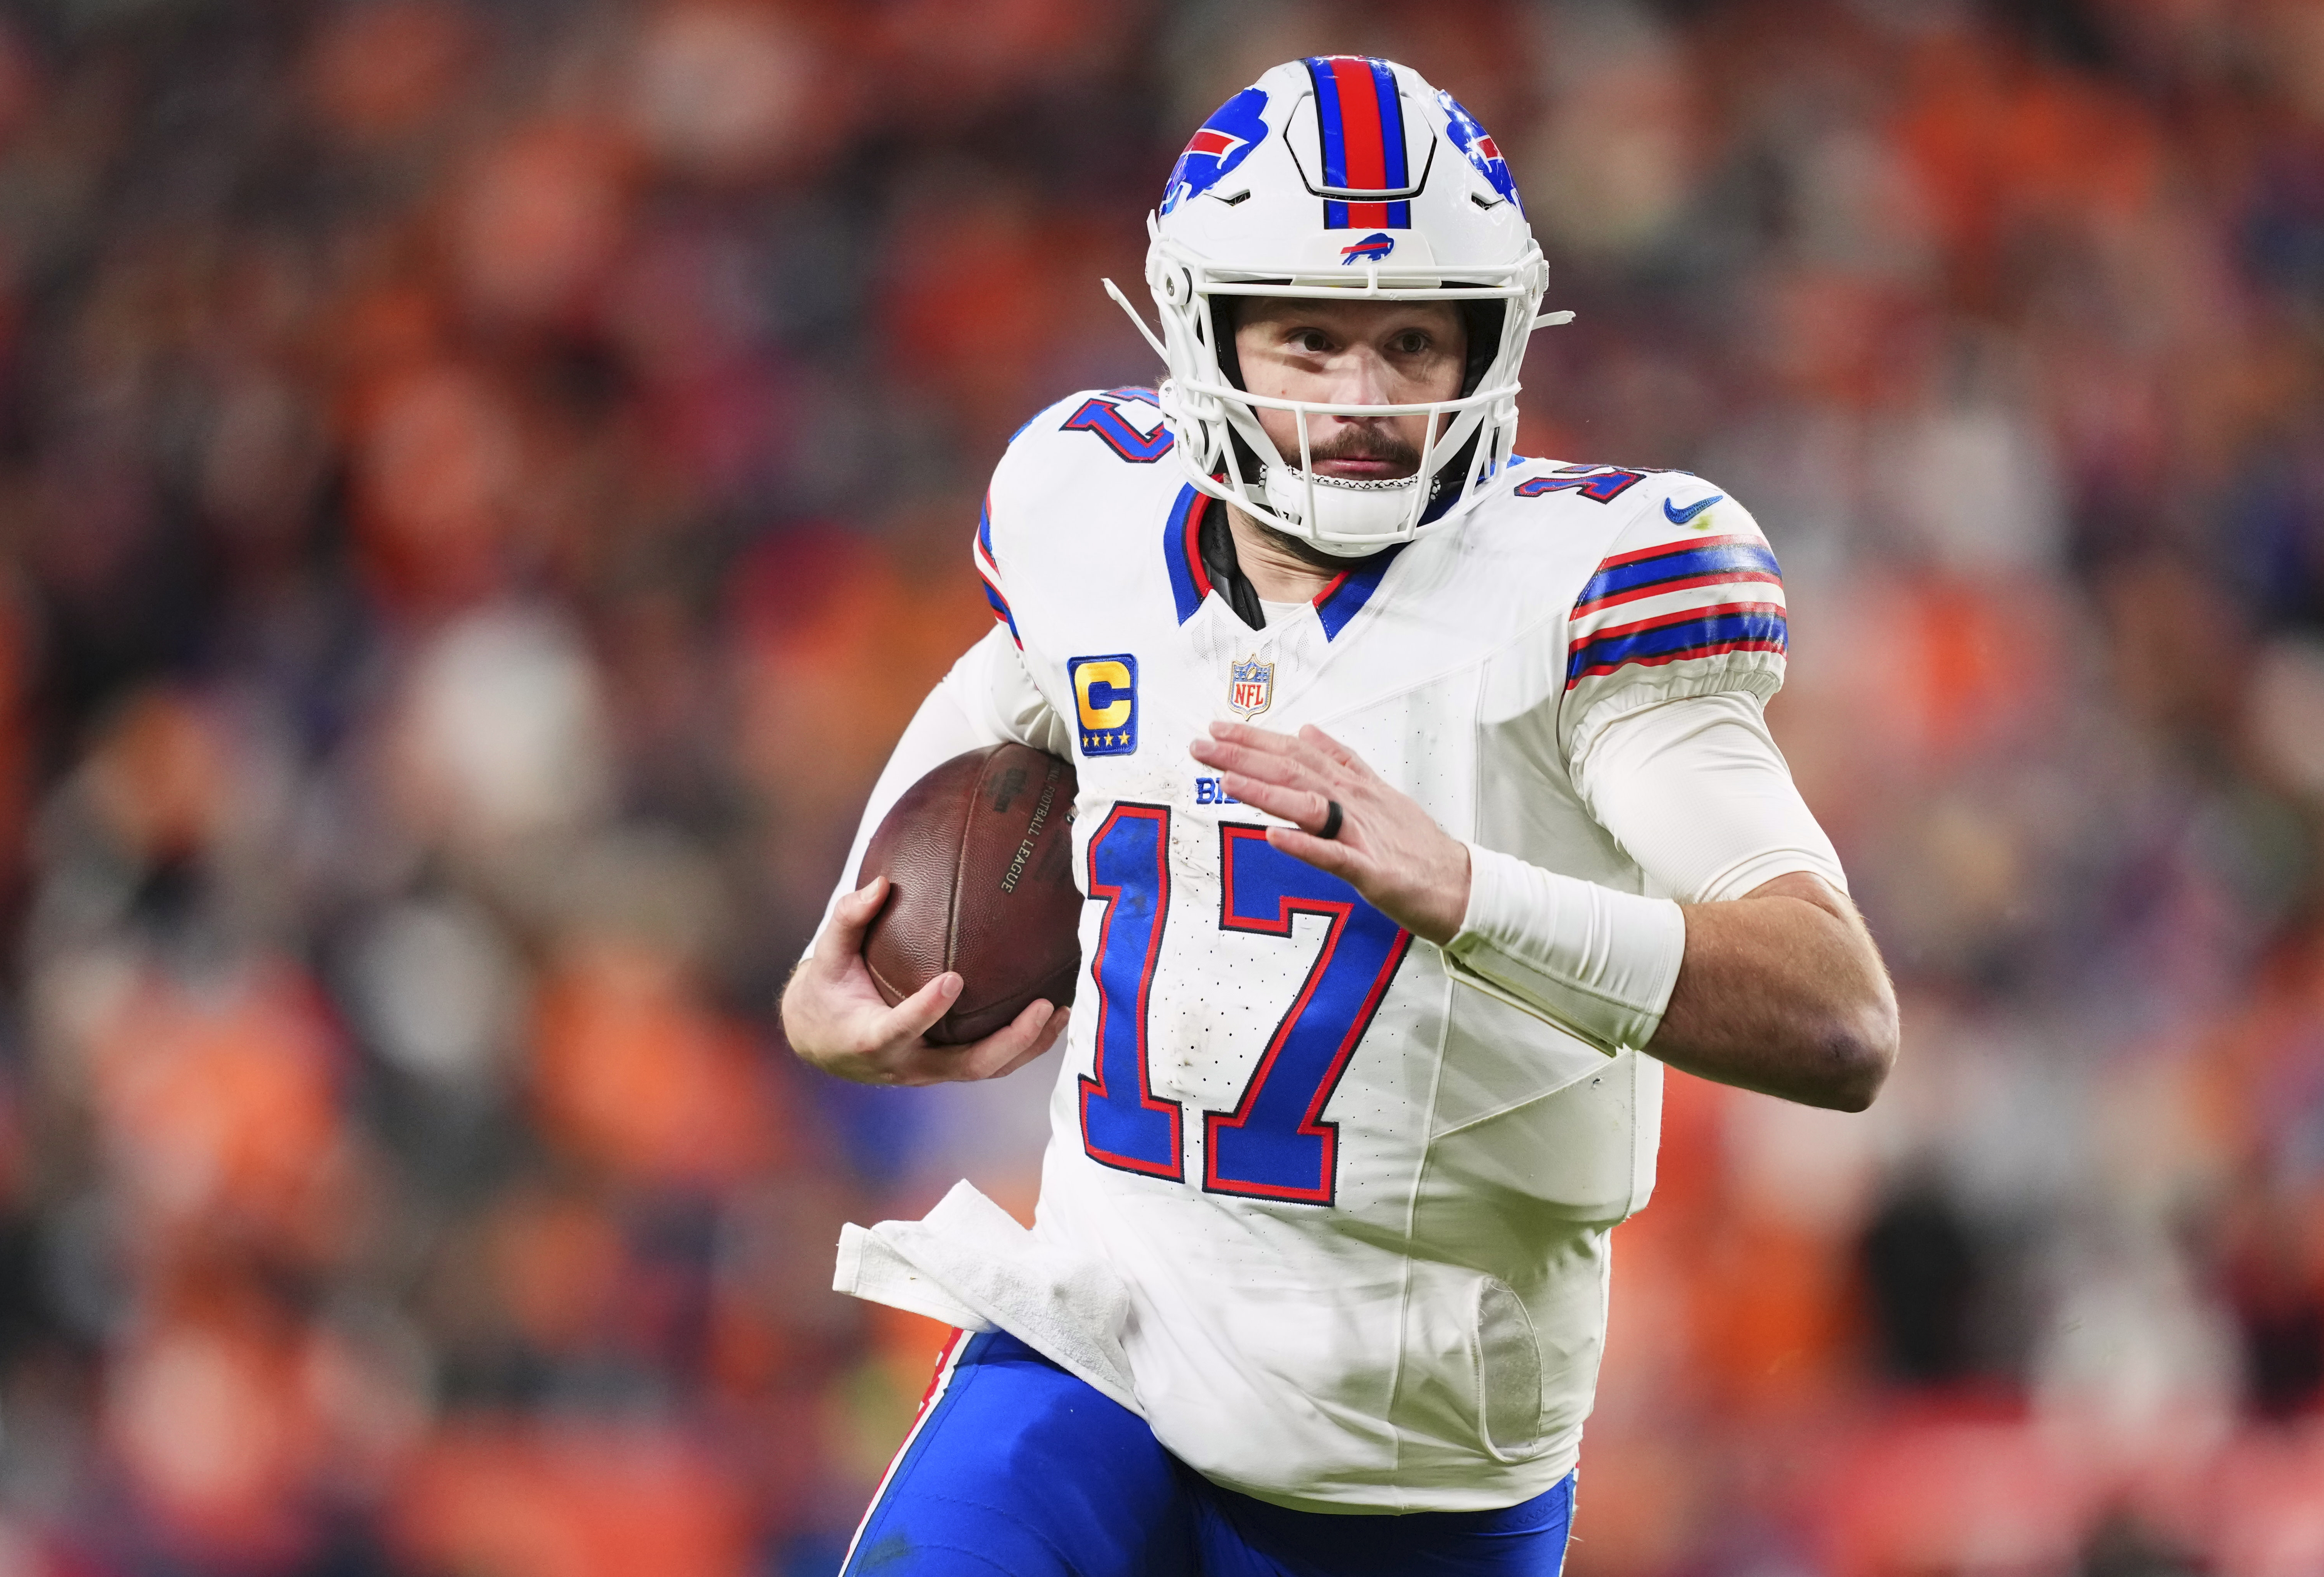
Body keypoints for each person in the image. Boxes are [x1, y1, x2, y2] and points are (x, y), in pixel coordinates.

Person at [783, 56, 1898, 1577]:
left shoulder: (1591, 590)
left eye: (1413, 343)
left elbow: (1839, 1016)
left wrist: (1467, 892)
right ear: (1206, 329)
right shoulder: (1091, 511)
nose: (1365, 402)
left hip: (1406, 1465)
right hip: (1104, 1336)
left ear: (1489, 346)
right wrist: (848, 956)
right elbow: (1010, 699)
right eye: (1310, 339)